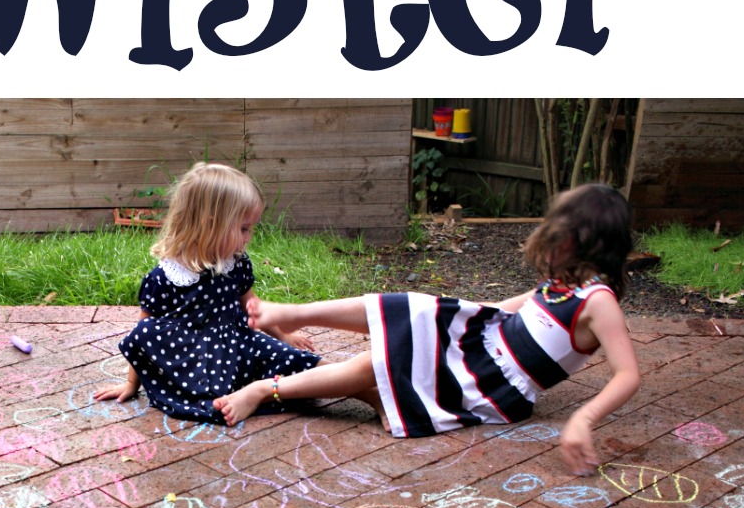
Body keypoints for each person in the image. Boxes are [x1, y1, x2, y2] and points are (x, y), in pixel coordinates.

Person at [213, 182, 641, 474]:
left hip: (488, 383)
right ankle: (294, 313)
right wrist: (447, 314)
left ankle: (265, 389)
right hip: (481, 342)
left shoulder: (598, 302)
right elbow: (509, 310)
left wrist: (583, 419)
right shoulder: (564, 283)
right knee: (412, 308)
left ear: (583, 240)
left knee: (373, 364)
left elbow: (628, 376)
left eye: (558, 235)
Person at [94, 161, 320, 422]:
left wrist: (284, 336)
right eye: (244, 228)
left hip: (238, 346)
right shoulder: (166, 277)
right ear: (211, 226)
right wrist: (132, 384)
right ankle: (250, 393)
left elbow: (254, 309)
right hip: (193, 363)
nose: (250, 236)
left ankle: (360, 383)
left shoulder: (235, 263)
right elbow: (144, 340)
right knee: (211, 396)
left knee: (297, 360)